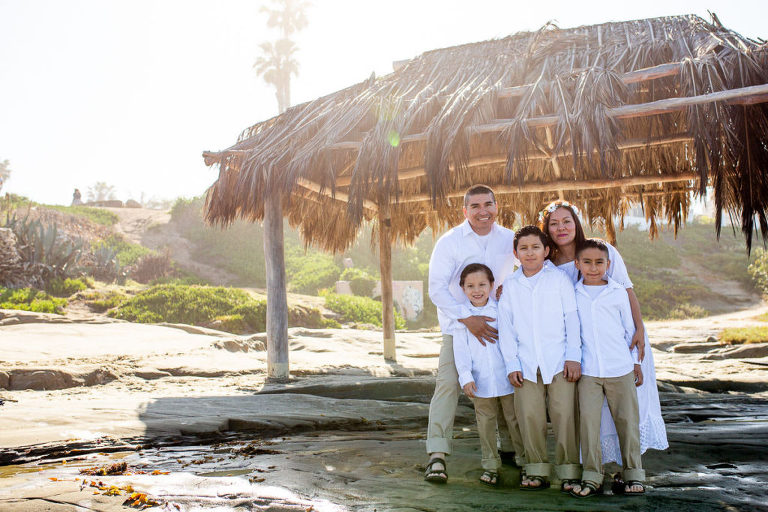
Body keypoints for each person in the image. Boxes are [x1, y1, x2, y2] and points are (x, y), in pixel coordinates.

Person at [538, 200, 668, 473]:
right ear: (546, 228)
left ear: (577, 223)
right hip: (579, 350)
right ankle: (597, 472)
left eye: (567, 221)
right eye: (554, 223)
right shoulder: (546, 263)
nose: (561, 228)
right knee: (590, 413)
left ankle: (627, 470)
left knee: (624, 410)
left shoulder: (601, 250)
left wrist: (639, 328)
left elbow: (626, 290)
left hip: (617, 343)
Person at [424, 184, 522, 484]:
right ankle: (437, 455)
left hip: (499, 327)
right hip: (458, 329)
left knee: (507, 385)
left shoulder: (509, 239)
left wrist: (509, 289)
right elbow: (437, 289)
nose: (483, 211)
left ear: (497, 206)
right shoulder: (450, 242)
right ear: (465, 210)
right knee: (448, 384)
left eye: (488, 204)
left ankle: (510, 450)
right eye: (475, 206)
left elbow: (526, 269)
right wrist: (468, 319)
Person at [498, 225, 582, 491]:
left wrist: (573, 357)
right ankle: (535, 469)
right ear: (515, 253)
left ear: (546, 250)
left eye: (535, 247)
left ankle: (569, 469)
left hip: (559, 361)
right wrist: (511, 363)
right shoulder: (510, 285)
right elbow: (506, 327)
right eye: (523, 248)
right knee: (529, 416)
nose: (530, 253)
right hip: (525, 362)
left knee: (564, 415)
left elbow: (572, 319)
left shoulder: (559, 279)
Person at [570, 239, 645, 498]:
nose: (593, 268)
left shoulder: (617, 293)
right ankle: (592, 476)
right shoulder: (572, 294)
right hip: (588, 372)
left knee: (627, 422)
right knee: (589, 425)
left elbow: (629, 330)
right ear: (577, 264)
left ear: (608, 264)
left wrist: (636, 362)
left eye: (599, 262)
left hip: (620, 369)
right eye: (587, 262)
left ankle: (633, 473)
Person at [452, 263, 522, 487]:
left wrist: (515, 367)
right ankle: (491, 464)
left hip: (507, 378)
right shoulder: (462, 319)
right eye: (470, 285)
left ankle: (523, 460)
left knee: (514, 419)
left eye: (482, 284)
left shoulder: (501, 310)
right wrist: (466, 377)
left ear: (492, 285)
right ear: (462, 288)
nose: (477, 289)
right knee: (485, 422)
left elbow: (513, 342)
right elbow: (460, 352)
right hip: (480, 381)